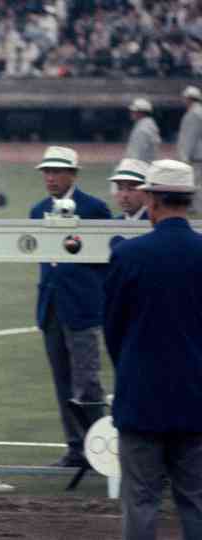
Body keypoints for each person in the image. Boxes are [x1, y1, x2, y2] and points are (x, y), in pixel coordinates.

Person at [103, 160, 202, 540]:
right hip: (195, 398)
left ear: (151, 199)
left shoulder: (129, 256)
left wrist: (130, 368)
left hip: (141, 398)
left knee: (141, 501)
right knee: (194, 500)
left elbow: (113, 329)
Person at [29, 146, 112, 467]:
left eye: (56, 172)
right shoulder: (37, 211)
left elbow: (106, 261)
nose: (50, 178)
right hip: (50, 306)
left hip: (82, 306)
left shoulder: (94, 209)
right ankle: (76, 447)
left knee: (88, 381)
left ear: (73, 175)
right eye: (46, 172)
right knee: (62, 380)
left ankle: (99, 449)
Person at [177, 86, 202, 215]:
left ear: (189, 99)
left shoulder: (193, 114)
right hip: (198, 155)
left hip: (195, 156)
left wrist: (184, 157)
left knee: (195, 185)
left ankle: (198, 209)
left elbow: (190, 137)